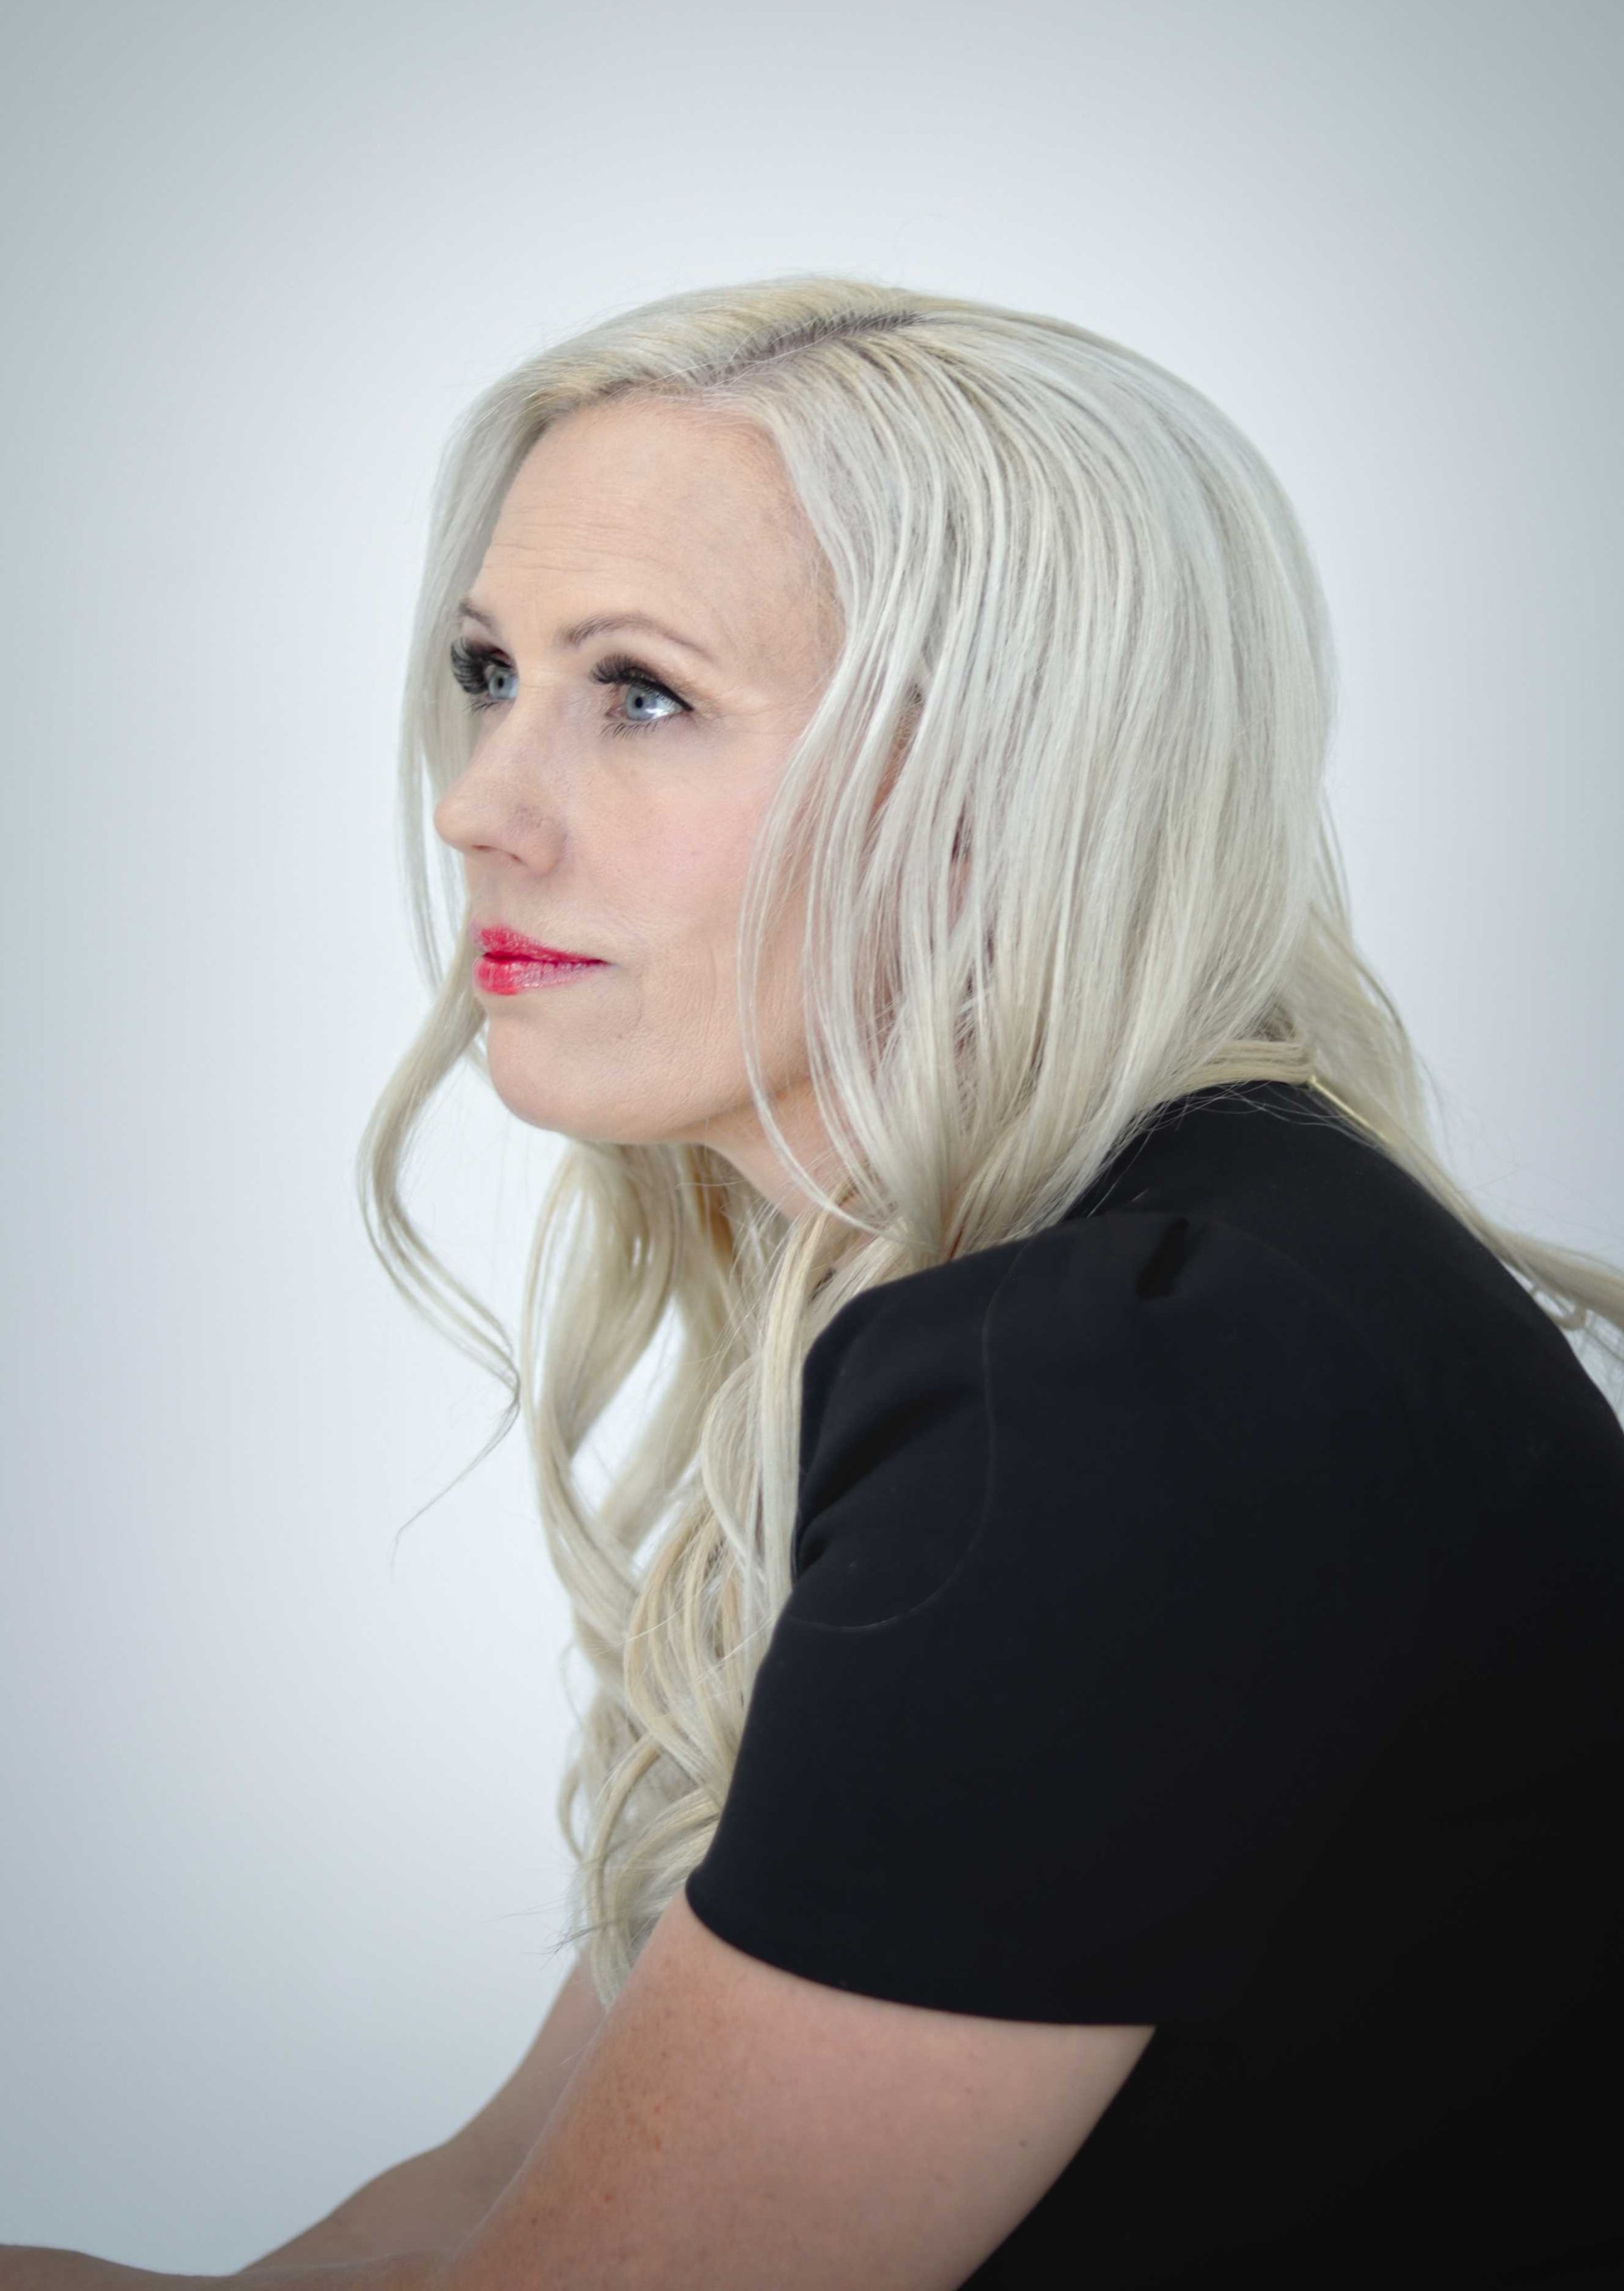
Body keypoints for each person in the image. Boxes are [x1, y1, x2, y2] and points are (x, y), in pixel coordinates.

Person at [258, 277, 1624, 2286]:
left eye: (640, 694)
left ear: (1007, 775)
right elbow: (466, 2224)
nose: (480, 805)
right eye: (491, 671)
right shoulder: (1128, 1290)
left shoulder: (1139, 1381)